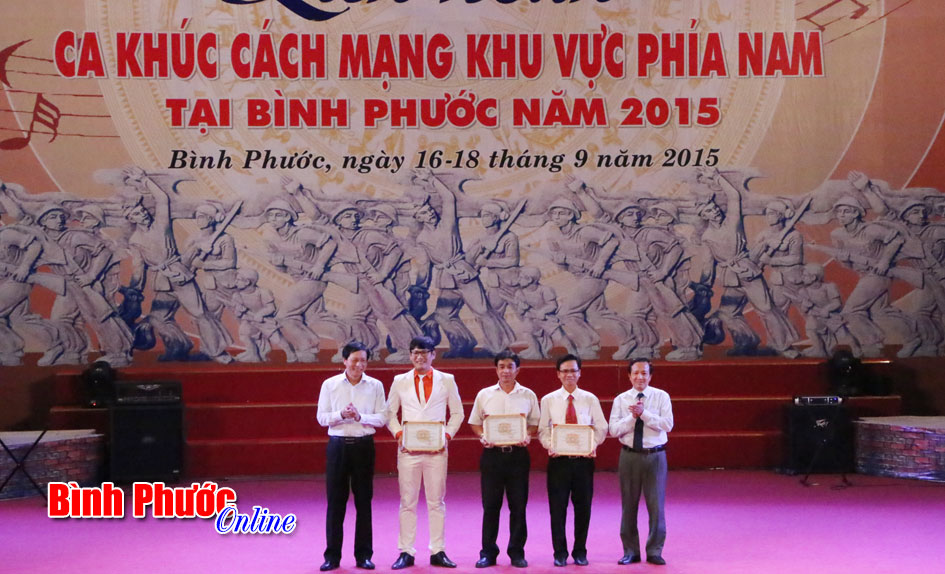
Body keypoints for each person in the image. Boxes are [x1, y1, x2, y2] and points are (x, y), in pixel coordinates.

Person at [386, 336, 464, 569]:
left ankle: (438, 550)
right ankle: (406, 551)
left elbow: (457, 413)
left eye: (424, 352)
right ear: (410, 355)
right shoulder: (399, 381)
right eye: (415, 353)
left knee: (436, 501)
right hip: (408, 450)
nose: (419, 357)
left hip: (436, 450)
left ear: (433, 354)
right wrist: (399, 434)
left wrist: (446, 436)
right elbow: (389, 413)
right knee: (407, 501)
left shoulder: (447, 380)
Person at [316, 342, 388, 571]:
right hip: (338, 447)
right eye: (355, 360)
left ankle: (364, 555)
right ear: (344, 361)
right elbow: (321, 418)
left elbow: (382, 418)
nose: (359, 365)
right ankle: (332, 556)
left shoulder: (375, 385)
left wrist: (359, 417)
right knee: (335, 503)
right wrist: (341, 414)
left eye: (363, 360)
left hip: (363, 447)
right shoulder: (330, 385)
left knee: (364, 502)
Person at [468, 350, 540, 568]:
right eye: (501, 367)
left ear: (518, 370)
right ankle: (488, 553)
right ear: (496, 369)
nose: (506, 371)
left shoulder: (528, 395)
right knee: (491, 506)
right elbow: (475, 422)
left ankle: (516, 552)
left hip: (518, 456)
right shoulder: (485, 394)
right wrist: (482, 435)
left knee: (518, 506)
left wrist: (528, 434)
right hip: (492, 456)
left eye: (510, 366)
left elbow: (535, 422)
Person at [538, 354, 607, 567]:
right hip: (558, 461)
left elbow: (602, 426)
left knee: (583, 508)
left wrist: (592, 444)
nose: (569, 375)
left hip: (583, 462)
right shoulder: (548, 400)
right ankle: (559, 552)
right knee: (557, 508)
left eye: (573, 371)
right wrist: (550, 445)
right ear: (558, 374)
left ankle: (580, 551)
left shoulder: (590, 399)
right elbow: (542, 429)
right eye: (565, 371)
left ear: (579, 373)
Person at [609, 359, 673, 566]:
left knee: (656, 506)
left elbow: (667, 425)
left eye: (644, 373)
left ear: (650, 376)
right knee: (629, 505)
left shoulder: (662, 396)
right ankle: (631, 551)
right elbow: (614, 430)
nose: (640, 377)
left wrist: (643, 414)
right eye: (635, 373)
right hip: (629, 455)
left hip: (655, 456)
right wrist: (632, 417)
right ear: (629, 376)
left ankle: (655, 550)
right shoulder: (621, 399)